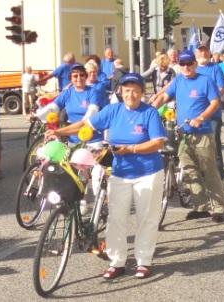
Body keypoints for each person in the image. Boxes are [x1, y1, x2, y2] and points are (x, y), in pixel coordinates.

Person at [45, 73, 166, 280]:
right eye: (127, 90)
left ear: (142, 92)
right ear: (120, 91)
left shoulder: (149, 113)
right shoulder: (113, 110)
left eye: (135, 90)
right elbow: (86, 126)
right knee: (116, 218)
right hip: (119, 172)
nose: (131, 94)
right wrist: (60, 132)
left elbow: (158, 143)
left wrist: (132, 149)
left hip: (148, 173)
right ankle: (117, 261)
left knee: (146, 218)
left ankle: (144, 261)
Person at [152, 50, 224, 222]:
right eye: (182, 64)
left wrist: (201, 117)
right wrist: (150, 110)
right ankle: (200, 206)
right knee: (189, 171)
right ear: (179, 65)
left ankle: (218, 208)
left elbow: (215, 102)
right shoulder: (178, 80)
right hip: (183, 133)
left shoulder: (204, 80)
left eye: (189, 63)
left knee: (209, 171)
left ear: (194, 64)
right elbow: (164, 96)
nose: (186, 67)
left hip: (202, 133)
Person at [195, 45, 224, 180]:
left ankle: (219, 177)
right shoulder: (192, 69)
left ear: (209, 53)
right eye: (200, 51)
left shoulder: (215, 68)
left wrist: (208, 99)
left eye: (205, 51)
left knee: (213, 144)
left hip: (213, 115)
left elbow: (222, 89)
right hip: (195, 114)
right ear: (196, 53)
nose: (203, 53)